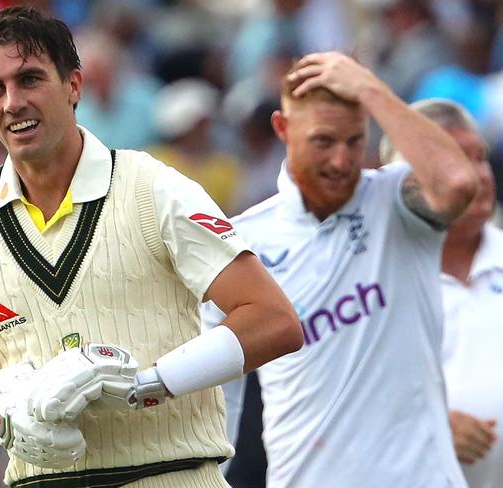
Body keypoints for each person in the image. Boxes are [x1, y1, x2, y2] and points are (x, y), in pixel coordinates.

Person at [0, 6, 303, 488]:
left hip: (173, 475)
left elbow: (275, 320)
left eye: (30, 79)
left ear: (74, 85)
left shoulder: (154, 189)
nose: (12, 102)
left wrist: (148, 385)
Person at [202, 51, 478, 487]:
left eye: (354, 141)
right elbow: (220, 399)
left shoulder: (395, 201)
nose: (342, 161)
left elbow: (459, 183)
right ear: (283, 128)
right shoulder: (242, 242)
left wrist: (371, 89)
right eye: (324, 142)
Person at [381, 98, 502, 488]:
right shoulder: (372, 281)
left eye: (480, 156)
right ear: (403, 177)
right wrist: (427, 425)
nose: (478, 175)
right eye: (455, 158)